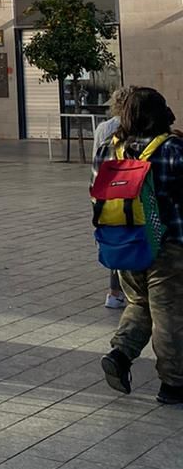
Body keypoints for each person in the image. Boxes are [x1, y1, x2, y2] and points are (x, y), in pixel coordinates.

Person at [97, 86, 183, 404]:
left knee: (139, 303)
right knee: (170, 314)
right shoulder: (172, 148)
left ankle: (120, 354)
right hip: (168, 247)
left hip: (126, 243)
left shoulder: (110, 147)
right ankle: (173, 384)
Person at [93, 88, 131, 310]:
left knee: (116, 241)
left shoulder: (102, 129)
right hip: (130, 189)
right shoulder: (133, 128)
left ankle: (114, 292)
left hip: (107, 192)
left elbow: (96, 159)